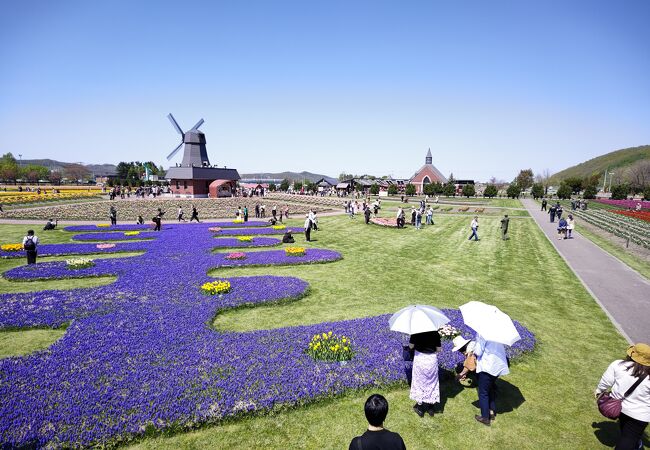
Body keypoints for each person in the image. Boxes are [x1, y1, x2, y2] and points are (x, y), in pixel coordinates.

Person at [595, 343, 650, 450]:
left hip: (619, 407)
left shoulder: (618, 365)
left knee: (626, 432)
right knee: (629, 437)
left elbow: (606, 382)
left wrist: (599, 391)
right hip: (640, 414)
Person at [473, 333, 509, 425]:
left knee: (483, 392)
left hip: (488, 366)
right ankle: (491, 411)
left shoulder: (483, 334)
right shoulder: (499, 334)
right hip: (497, 366)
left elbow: (478, 352)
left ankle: (485, 418)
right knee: (490, 388)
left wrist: (475, 347)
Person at [409, 329, 442, 417]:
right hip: (431, 359)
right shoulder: (435, 333)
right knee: (432, 382)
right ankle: (431, 408)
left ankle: (420, 408)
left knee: (419, 382)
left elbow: (411, 346)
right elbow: (439, 349)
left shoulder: (416, 331)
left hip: (420, 359)